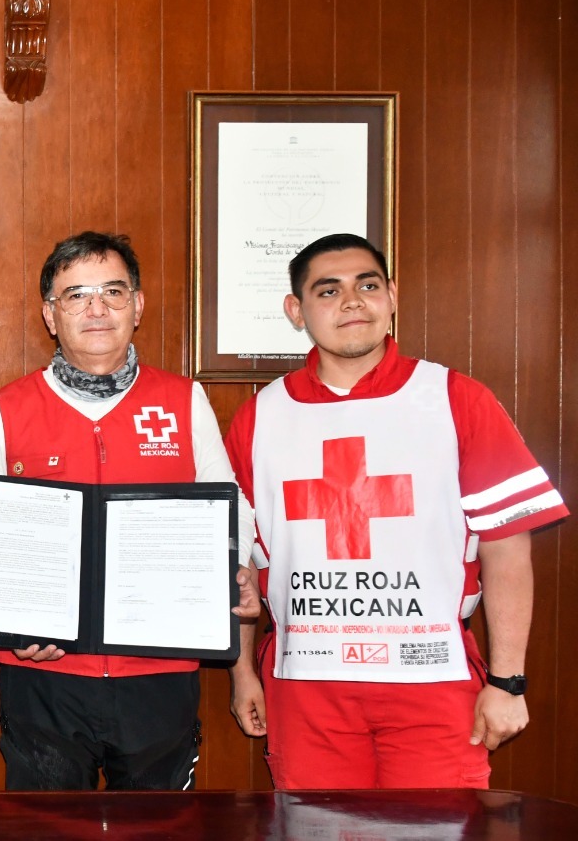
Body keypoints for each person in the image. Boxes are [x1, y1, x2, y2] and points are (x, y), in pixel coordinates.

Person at [224, 232, 567, 789]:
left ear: (392, 296)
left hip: (431, 675)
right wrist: (241, 673)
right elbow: (240, 558)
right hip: (305, 682)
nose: (353, 301)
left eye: (367, 285)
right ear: (296, 310)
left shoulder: (456, 399)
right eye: (328, 290)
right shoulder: (260, 416)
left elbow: (506, 547)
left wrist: (508, 683)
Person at [0, 230, 258, 790]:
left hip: (160, 670)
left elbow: (229, 511)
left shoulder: (184, 400)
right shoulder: (5, 410)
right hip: (45, 674)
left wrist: (232, 570)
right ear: (50, 314)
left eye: (113, 292)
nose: (96, 309)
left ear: (138, 305)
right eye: (75, 295)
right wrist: (11, 623)